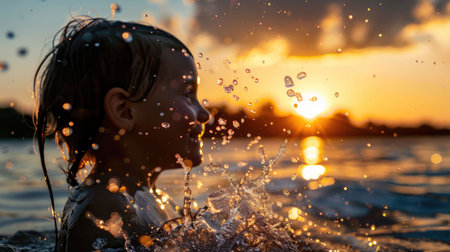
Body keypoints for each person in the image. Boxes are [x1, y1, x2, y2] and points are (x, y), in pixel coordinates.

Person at [33, 17, 210, 251]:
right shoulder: (102, 208)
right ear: (123, 111)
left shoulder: (151, 199)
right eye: (188, 94)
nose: (205, 113)